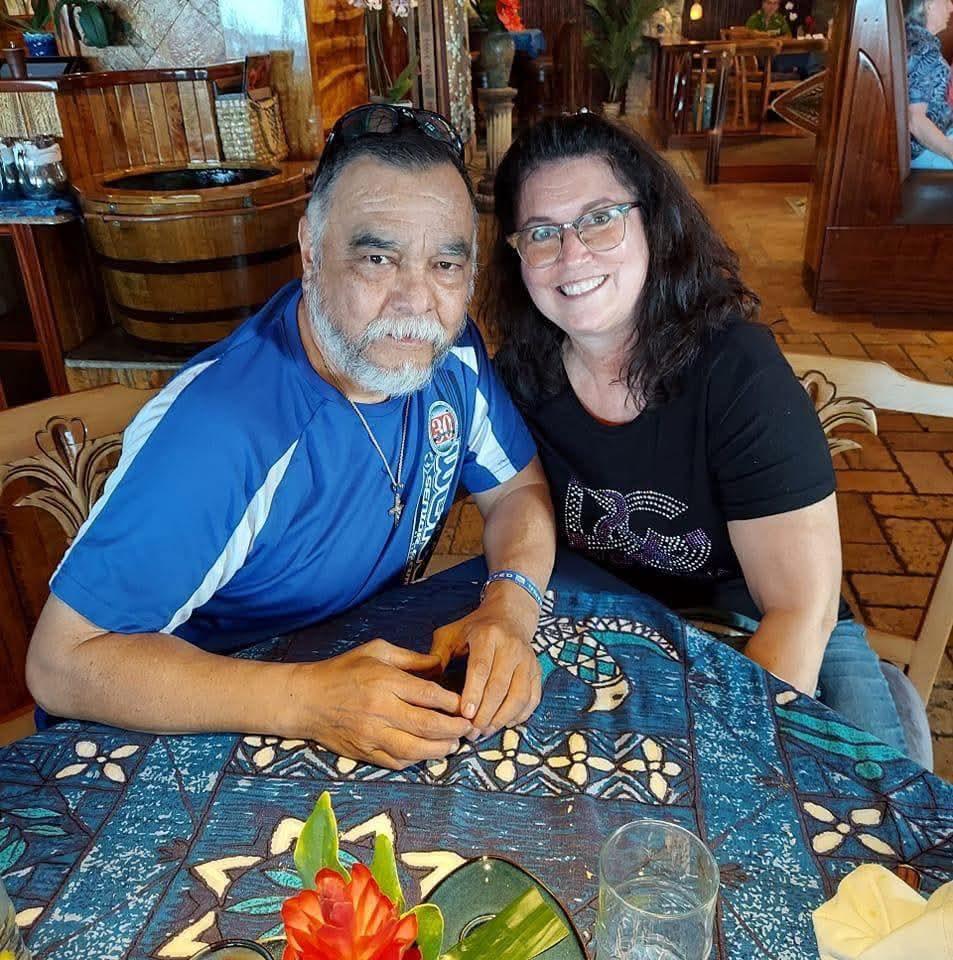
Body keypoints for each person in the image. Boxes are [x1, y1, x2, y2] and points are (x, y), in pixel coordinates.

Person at [26, 104, 555, 770]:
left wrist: (509, 604)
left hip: (347, 678)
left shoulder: (451, 359)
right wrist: (304, 701)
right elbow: (61, 663)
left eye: (444, 266)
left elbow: (518, 491)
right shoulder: (224, 429)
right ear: (310, 250)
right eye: (376, 258)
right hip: (185, 730)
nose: (416, 302)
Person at [486, 113, 932, 768]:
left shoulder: (735, 370)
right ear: (517, 253)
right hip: (613, 630)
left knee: (876, 837)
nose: (571, 253)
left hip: (775, 636)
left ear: (650, 226)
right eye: (542, 232)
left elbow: (798, 611)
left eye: (599, 218)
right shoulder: (519, 379)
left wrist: (724, 767)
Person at [905, 0, 953, 169]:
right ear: (929, 5)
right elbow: (915, 121)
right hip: (927, 149)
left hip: (939, 136)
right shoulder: (924, 48)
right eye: (947, 1)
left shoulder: (913, 37)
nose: (951, 7)